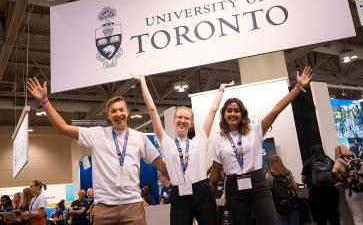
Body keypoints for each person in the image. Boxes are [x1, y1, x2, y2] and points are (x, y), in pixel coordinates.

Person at [26, 77, 169, 225]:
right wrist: (44, 101)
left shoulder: (140, 138)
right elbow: (63, 128)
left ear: (127, 112)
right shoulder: (97, 134)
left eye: (121, 110)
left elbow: (159, 163)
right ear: (108, 115)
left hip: (132, 207)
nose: (118, 114)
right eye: (113, 111)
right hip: (103, 209)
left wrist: (181, 179)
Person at [210, 66, 313, 225]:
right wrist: (209, 198)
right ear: (224, 114)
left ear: (242, 114)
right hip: (233, 188)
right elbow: (215, 174)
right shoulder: (218, 140)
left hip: (258, 183)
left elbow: (276, 110)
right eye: (229, 110)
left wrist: (298, 87)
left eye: (236, 110)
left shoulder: (255, 131)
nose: (232, 113)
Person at [133, 74, 234, 225]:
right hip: (179, 194)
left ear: (191, 123)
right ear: (174, 120)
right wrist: (143, 82)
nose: (183, 121)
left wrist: (221, 90)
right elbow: (152, 110)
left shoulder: (200, 140)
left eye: (187, 118)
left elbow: (213, 111)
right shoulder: (166, 142)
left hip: (202, 193)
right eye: (180, 117)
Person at [301, 145, 340, 225]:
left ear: (311, 152)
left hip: (316, 193)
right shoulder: (329, 160)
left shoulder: (308, 162)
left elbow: (303, 179)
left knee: (320, 218)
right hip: (331, 191)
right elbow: (336, 173)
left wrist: (310, 181)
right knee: (334, 216)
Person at [266, 155, 299, 225]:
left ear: (270, 163)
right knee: (293, 221)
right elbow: (295, 187)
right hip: (291, 202)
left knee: (282, 221)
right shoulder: (288, 172)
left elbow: (267, 191)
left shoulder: (268, 175)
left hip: (277, 203)